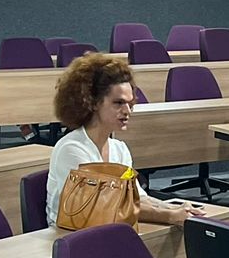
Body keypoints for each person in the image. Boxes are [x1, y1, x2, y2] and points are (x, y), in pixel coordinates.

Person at [45, 53, 194, 228]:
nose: (127, 111)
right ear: (93, 102)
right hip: (69, 235)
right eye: (118, 103)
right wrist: (169, 216)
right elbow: (102, 207)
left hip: (105, 229)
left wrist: (174, 208)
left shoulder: (120, 149)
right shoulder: (71, 149)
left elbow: (137, 198)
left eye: (129, 104)